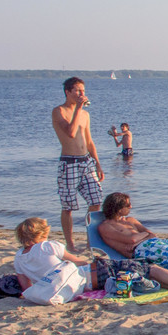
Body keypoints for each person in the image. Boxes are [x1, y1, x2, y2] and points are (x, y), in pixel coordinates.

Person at [14, 217, 168, 295]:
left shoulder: (18, 258)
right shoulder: (49, 246)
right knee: (146, 267)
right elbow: (76, 262)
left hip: (72, 287)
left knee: (141, 273)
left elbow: (26, 287)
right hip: (90, 276)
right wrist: (93, 260)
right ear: (42, 233)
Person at [52, 76, 105, 253]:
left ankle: (91, 241)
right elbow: (71, 132)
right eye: (77, 91)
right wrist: (78, 108)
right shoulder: (59, 111)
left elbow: (89, 141)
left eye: (83, 90)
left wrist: (97, 163)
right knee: (68, 206)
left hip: (86, 162)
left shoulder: (85, 114)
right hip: (69, 162)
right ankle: (70, 243)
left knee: (96, 200)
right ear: (68, 92)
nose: (81, 94)